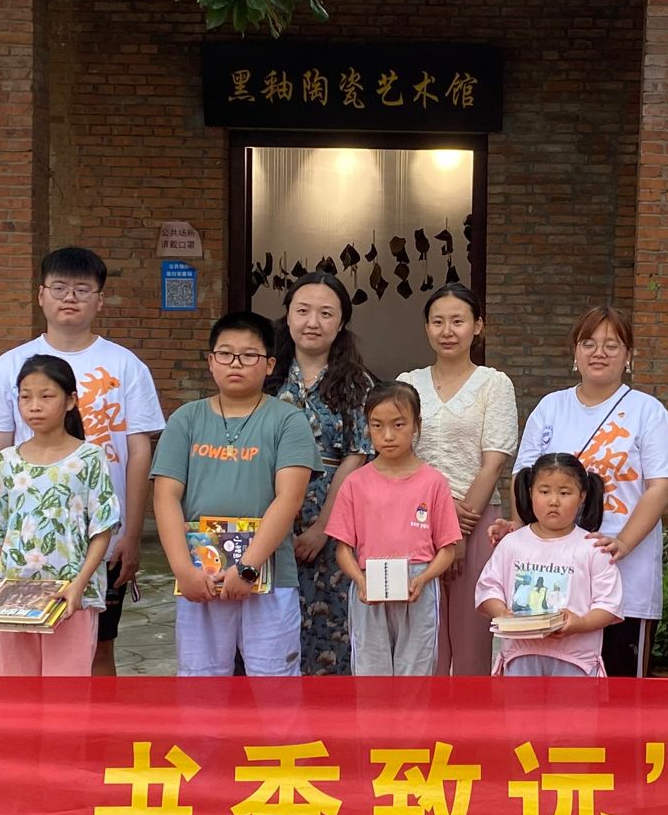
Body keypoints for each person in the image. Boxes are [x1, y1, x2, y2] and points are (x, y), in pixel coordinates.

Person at [0, 245, 164, 676]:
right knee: (23, 653)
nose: (70, 297)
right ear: (40, 295)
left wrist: (132, 533)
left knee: (97, 646)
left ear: (100, 300)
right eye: (59, 287)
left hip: (98, 535)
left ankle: (94, 723)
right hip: (26, 546)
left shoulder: (126, 365)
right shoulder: (9, 366)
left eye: (83, 289)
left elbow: (139, 452)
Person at [501, 306, 668, 678]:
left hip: (624, 576)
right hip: (551, 579)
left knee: (619, 691)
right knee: (546, 692)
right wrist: (519, 532)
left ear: (628, 355)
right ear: (575, 351)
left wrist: (623, 543)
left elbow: (660, 486)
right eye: (589, 343)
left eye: (611, 345)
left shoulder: (649, 412)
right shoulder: (550, 408)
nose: (599, 353)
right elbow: (523, 477)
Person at [152, 312, 316, 676]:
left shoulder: (288, 421)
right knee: (200, 683)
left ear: (269, 364)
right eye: (225, 354)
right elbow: (165, 496)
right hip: (200, 575)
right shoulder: (186, 419)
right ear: (211, 361)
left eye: (249, 355)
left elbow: (289, 499)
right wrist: (183, 570)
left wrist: (247, 568)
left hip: (270, 574)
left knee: (274, 683)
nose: (236, 363)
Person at [0, 356, 121, 677]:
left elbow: (103, 529)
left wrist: (79, 585)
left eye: (46, 396)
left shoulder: (90, 458)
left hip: (69, 596)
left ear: (70, 400)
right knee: (13, 691)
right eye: (25, 396)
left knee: (65, 691)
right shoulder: (7, 460)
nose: (35, 406)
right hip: (13, 595)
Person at [402, 285, 517, 675]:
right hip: (416, 518)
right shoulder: (408, 383)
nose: (447, 331)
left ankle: (472, 715)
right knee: (423, 638)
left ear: (478, 326)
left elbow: (494, 461)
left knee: (473, 641)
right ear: (426, 328)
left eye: (458, 321)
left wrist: (457, 531)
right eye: (438, 322)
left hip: (477, 521)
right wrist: (439, 514)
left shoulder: (494, 384)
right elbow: (399, 455)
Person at [267, 271, 374, 674]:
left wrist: (321, 528)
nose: (313, 322)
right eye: (303, 311)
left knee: (330, 631)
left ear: (342, 322)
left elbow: (356, 457)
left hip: (334, 519)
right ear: (288, 316)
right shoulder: (267, 376)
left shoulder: (357, 385)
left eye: (326, 313)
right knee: (267, 629)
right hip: (267, 514)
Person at [325, 381, 463, 675]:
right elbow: (343, 549)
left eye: (398, 424)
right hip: (368, 585)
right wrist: (360, 580)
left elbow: (448, 548)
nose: (388, 435)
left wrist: (423, 578)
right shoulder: (355, 483)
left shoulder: (434, 482)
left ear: (416, 425)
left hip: (418, 586)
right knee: (370, 672)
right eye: (377, 425)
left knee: (415, 673)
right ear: (367, 428)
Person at [475, 455, 624, 677]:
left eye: (564, 493)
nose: (553, 501)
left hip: (575, 660)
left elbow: (609, 604)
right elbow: (488, 587)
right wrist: (502, 612)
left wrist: (580, 623)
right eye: (544, 492)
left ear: (582, 496)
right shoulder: (512, 543)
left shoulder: (593, 548)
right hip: (520, 654)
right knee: (518, 702)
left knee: (572, 703)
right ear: (530, 492)